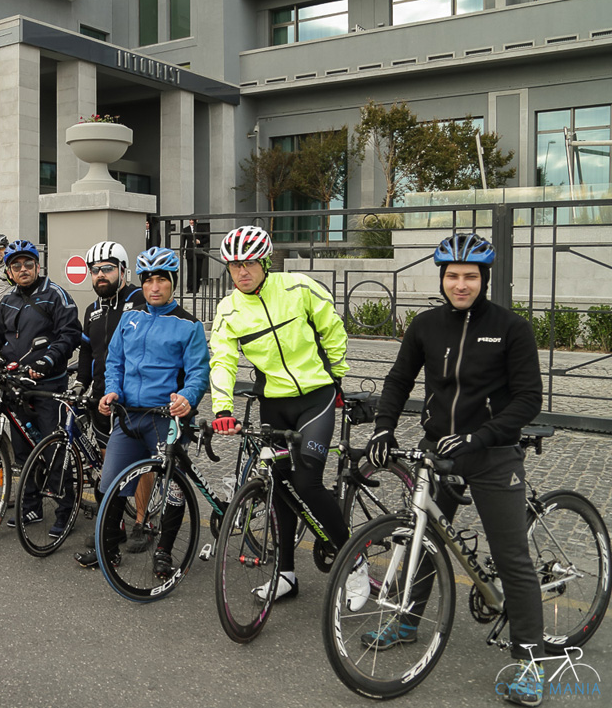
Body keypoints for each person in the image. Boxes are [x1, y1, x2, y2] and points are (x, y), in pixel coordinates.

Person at [363, 233, 545, 705]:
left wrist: (480, 435)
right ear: (441, 277)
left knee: (511, 558)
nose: (460, 284)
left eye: (469, 276)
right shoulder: (426, 325)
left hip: (491, 451)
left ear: (483, 278)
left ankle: (530, 659)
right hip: (437, 447)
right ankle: (407, 620)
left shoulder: (511, 327)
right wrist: (383, 428)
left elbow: (528, 398)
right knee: (423, 536)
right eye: (452, 276)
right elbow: (399, 380)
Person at [207, 225, 361, 606]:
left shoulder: (298, 288)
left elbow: (333, 328)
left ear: (264, 262)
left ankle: (353, 560)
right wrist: (222, 408)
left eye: (248, 264)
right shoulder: (228, 309)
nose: (241, 272)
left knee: (307, 480)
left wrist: (336, 376)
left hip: (316, 397)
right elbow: (223, 359)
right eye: (233, 266)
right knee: (278, 486)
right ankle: (286, 574)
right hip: (274, 403)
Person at [75, 247, 210, 572]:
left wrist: (188, 397)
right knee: (110, 483)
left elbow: (198, 372)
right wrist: (111, 392)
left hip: (166, 418)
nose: (154, 287)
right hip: (128, 416)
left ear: (172, 283)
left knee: (174, 485)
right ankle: (108, 548)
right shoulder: (130, 318)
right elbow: (115, 362)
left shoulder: (188, 325)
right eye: (148, 280)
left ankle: (164, 551)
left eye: (161, 280)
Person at [0, 239, 82, 527]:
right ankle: (31, 506)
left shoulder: (55, 295)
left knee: (53, 449)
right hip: (16, 385)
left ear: (38, 266)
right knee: (23, 451)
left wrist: (47, 361)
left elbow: (69, 335)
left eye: (28, 264)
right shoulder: (9, 301)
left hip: (47, 385)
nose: (23, 269)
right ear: (9, 272)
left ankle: (66, 512)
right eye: (16, 266)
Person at [74, 241, 152, 551]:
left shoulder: (140, 300)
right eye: (94, 271)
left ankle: (142, 521)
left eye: (107, 269)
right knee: (111, 463)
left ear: (122, 270)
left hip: (135, 399)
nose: (100, 276)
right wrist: (81, 383)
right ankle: (115, 522)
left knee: (143, 462)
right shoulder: (92, 310)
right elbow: (85, 352)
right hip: (101, 397)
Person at [180, 219, 206, 295]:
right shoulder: (185, 229)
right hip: (190, 253)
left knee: (198, 271)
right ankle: (189, 288)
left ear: (197, 221)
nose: (191, 222)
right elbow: (182, 242)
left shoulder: (201, 229)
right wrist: (182, 252)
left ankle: (196, 288)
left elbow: (207, 238)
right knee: (190, 271)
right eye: (190, 220)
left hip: (199, 253)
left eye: (193, 220)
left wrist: (200, 241)